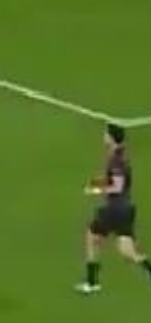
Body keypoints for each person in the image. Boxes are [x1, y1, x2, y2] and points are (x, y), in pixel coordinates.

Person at [76, 124, 151, 294]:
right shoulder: (120, 156)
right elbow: (115, 181)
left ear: (111, 138)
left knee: (91, 237)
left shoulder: (116, 160)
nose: (104, 136)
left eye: (106, 134)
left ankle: (92, 282)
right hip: (126, 209)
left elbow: (117, 186)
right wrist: (96, 183)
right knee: (128, 252)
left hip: (114, 209)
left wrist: (97, 189)